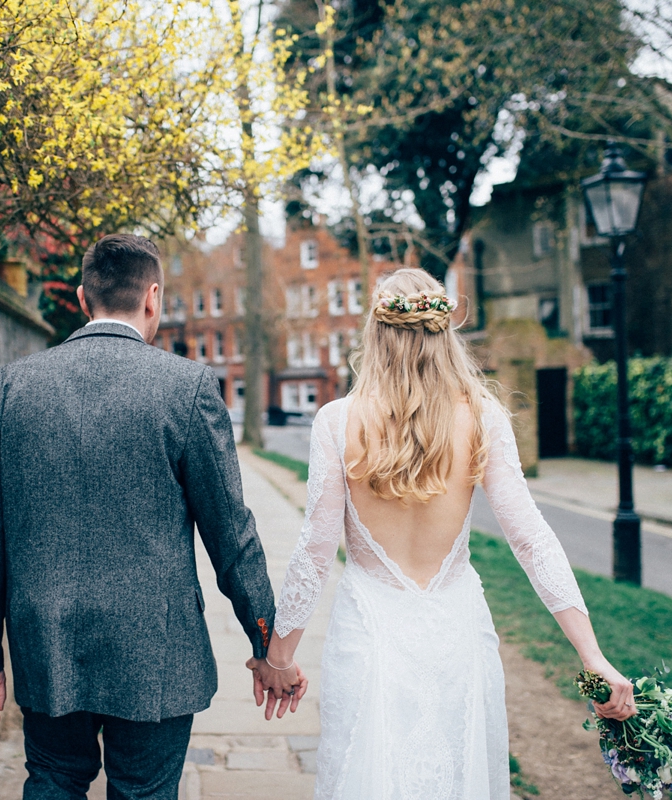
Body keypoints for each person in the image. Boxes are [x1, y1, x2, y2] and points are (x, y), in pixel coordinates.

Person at [262, 268, 636, 799]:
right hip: (457, 635)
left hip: (369, 639)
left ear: (376, 332)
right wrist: (592, 655)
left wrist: (279, 660)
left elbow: (315, 553)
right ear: (445, 333)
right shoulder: (483, 418)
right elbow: (531, 539)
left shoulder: (336, 422)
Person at [0, 233, 306, 800]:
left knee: (52, 781)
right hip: (157, 648)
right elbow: (231, 534)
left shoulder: (7, 389)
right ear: (152, 297)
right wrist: (268, 645)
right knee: (144, 790)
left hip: (48, 640)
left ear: (81, 297)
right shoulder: (186, 387)